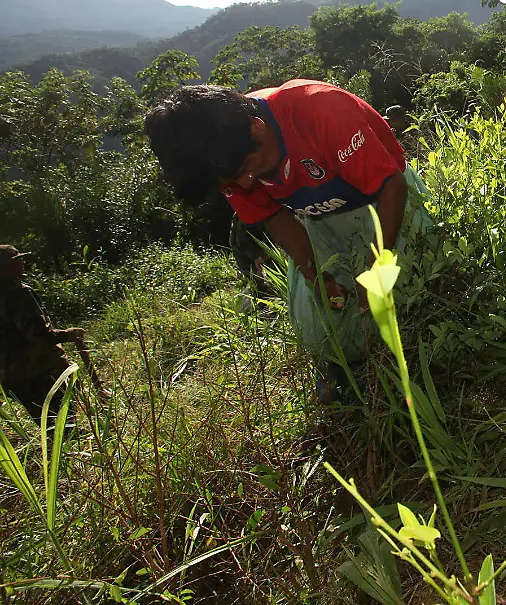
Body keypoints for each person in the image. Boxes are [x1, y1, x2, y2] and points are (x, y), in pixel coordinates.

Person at [145, 80, 433, 403]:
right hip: (321, 216)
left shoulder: (320, 111)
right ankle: (345, 371)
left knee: (417, 297)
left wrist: (377, 264)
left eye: (244, 170)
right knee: (317, 326)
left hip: (388, 197)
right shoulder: (226, 157)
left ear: (257, 128)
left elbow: (391, 183)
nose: (246, 183)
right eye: (232, 181)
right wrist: (316, 276)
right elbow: (274, 216)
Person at [0, 245, 88, 421]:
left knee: (46, 425)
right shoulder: (19, 294)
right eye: (16, 260)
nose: (22, 262)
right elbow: (39, 335)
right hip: (37, 372)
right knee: (63, 425)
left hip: (9, 377)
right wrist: (68, 335)